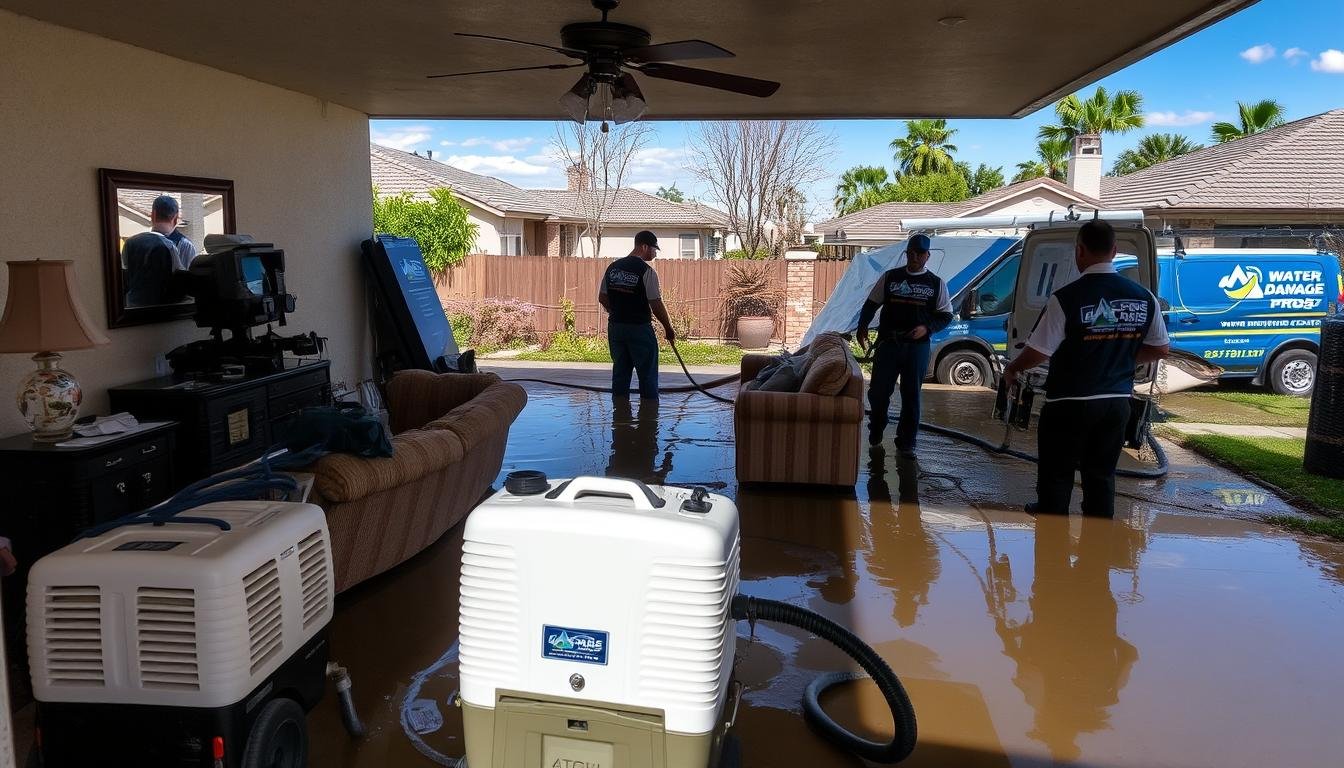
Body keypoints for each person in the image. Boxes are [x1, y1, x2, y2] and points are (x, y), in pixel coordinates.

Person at [1002, 220, 1170, 517]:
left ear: (1079, 251)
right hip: (1116, 404)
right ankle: (1097, 554)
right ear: (1115, 251)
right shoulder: (1145, 299)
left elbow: (1039, 352)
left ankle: (1053, 540)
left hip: (1068, 405)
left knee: (1057, 477)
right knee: (1101, 477)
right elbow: (1160, 349)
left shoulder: (1066, 299)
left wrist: (1013, 369)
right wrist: (1119, 357)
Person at [856, 233, 953, 458]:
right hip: (888, 344)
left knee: (911, 396)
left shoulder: (936, 284)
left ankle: (906, 442)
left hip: (916, 348)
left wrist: (926, 328)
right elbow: (871, 304)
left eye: (920, 254)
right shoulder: (890, 278)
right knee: (879, 393)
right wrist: (862, 328)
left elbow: (946, 316)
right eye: (911, 253)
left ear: (927, 256)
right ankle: (877, 428)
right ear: (906, 253)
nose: (915, 257)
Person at [598, 230, 676, 400]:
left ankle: (619, 418)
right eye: (654, 249)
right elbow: (655, 304)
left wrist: (618, 311)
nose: (655, 253)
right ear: (644, 246)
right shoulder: (646, 271)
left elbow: (602, 297)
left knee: (620, 373)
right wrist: (668, 328)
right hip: (639, 329)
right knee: (647, 375)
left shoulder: (613, 268)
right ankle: (648, 421)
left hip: (616, 329)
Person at [121, 195, 197, 306]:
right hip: (166, 314)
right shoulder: (179, 246)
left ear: (153, 215)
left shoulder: (130, 243)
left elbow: (125, 277)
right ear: (175, 219)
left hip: (133, 310)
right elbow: (186, 285)